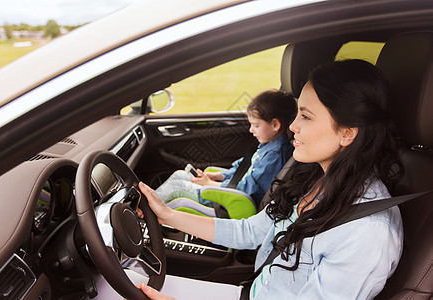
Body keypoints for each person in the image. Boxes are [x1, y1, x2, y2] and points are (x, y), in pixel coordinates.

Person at [128, 59, 403, 300]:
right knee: (126, 284)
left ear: (347, 133)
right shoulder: (314, 178)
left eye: (306, 116)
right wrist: (167, 215)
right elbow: (249, 232)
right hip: (250, 292)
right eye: (297, 112)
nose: (293, 126)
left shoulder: (367, 232)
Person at [155, 89, 296, 208]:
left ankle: (143, 212)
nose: (251, 130)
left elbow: (246, 188)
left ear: (275, 125)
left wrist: (210, 184)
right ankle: (145, 207)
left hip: (233, 201)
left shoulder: (274, 156)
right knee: (180, 175)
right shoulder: (268, 145)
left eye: (256, 125)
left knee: (175, 189)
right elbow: (243, 168)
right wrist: (218, 176)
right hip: (231, 192)